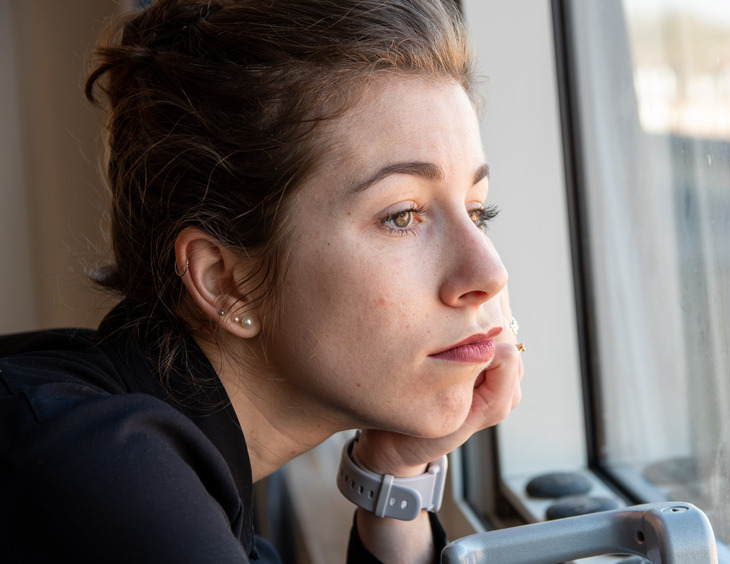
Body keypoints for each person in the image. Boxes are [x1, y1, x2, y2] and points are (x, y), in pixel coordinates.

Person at [0, 0, 524, 562]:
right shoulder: (111, 474)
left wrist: (395, 471)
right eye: (402, 215)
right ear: (225, 281)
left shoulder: (164, 472)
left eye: (476, 211)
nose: (489, 273)